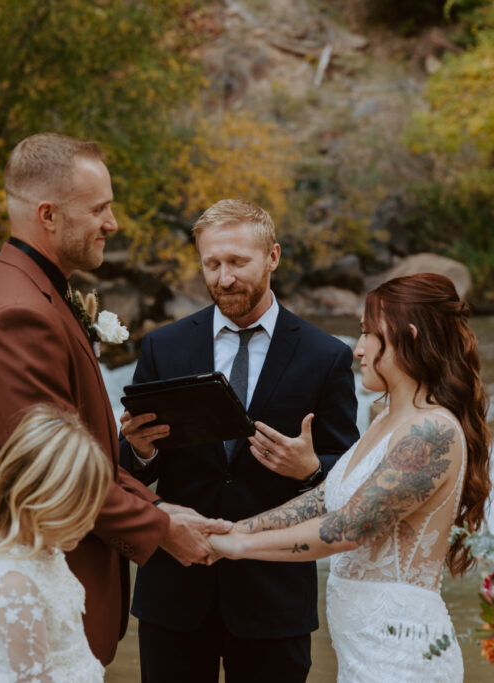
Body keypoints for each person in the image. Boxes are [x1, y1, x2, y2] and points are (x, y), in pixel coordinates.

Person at [0, 133, 229, 665]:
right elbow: (58, 475)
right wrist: (164, 527)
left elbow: (79, 450)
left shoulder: (34, 290)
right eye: (99, 208)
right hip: (27, 579)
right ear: (48, 216)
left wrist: (160, 505)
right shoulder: (17, 314)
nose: (112, 223)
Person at [208, 273, 492, 683]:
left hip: (402, 654)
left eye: (367, 334)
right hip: (362, 651)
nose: (357, 350)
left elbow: (350, 527)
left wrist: (238, 546)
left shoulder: (432, 431)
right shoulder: (385, 419)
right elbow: (325, 499)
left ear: (407, 336)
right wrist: (236, 527)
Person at [119, 199, 359, 683]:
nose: (224, 278)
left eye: (237, 262)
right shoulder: (163, 347)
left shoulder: (326, 356)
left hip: (273, 599)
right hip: (175, 591)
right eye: (212, 264)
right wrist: (142, 450)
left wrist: (310, 469)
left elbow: (352, 474)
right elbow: (128, 468)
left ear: (272, 257)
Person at [0, 404, 111, 682]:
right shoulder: (13, 584)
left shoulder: (44, 552)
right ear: (40, 502)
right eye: (79, 512)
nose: (90, 525)